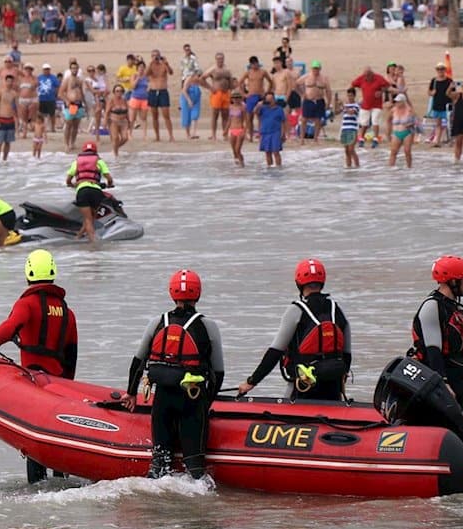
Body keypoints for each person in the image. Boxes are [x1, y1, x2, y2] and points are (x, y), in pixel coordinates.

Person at [122, 270, 224, 479]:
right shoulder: (208, 326)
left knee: (160, 462)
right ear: (198, 294)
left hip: (163, 399)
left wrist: (131, 393)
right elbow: (218, 372)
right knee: (195, 467)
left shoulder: (157, 322)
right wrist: (206, 403)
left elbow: (138, 362)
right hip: (192, 400)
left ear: (171, 293)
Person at [237, 258, 351, 402]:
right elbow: (347, 354)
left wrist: (251, 382)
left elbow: (275, 352)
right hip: (333, 388)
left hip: (303, 386)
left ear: (299, 283)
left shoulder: (295, 310)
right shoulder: (337, 310)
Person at [0, 249, 77, 394]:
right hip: (58, 383)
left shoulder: (27, 304)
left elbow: (12, 324)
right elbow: (71, 354)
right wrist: (67, 386)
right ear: (53, 272)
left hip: (33, 380)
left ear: (28, 273)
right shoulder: (67, 312)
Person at [409, 256, 463, 414]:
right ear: (453, 282)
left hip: (457, 381)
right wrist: (442, 384)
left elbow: (461, 354)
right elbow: (433, 351)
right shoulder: (431, 307)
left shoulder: (456, 309)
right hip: (435, 382)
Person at [64, 141, 114, 242]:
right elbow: (109, 178)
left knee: (88, 219)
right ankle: (85, 240)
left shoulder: (76, 162)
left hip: (82, 191)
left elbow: (68, 180)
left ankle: (90, 243)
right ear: (95, 151)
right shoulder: (99, 161)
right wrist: (109, 185)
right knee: (90, 219)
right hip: (96, 192)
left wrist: (72, 185)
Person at [351, 65, 390, 146]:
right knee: (364, 122)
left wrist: (381, 91)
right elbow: (353, 84)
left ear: (372, 73)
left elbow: (387, 85)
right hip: (365, 104)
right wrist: (351, 96)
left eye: (368, 75)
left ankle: (375, 139)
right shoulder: (361, 78)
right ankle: (361, 138)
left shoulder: (378, 78)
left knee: (375, 120)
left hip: (376, 104)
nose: (367, 77)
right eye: (365, 75)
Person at [254, 90, 285, 168]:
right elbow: (255, 113)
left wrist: (283, 134)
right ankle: (269, 168)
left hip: (276, 132)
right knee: (267, 152)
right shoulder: (263, 108)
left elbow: (283, 122)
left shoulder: (279, 109)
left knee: (276, 151)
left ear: (274, 100)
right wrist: (258, 105)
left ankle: (278, 167)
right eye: (267, 99)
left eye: (271, 99)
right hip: (265, 132)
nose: (269, 101)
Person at [387, 93, 417, 168]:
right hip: (396, 132)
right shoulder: (393, 110)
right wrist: (388, 132)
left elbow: (416, 121)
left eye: (399, 102)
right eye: (396, 101)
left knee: (407, 151)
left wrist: (410, 124)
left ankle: (409, 167)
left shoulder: (409, 110)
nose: (397, 103)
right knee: (393, 151)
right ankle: (391, 168)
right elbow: (388, 120)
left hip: (407, 132)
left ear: (403, 101)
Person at [0, 73, 18, 161]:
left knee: (8, 142)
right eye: (8, 81)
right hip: (1, 118)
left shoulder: (14, 94)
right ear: (5, 82)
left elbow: (16, 108)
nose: (9, 83)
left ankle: (5, 159)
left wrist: (17, 121)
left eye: (11, 82)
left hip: (10, 119)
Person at [339, 87, 361, 168]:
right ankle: (349, 166)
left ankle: (357, 166)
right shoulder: (346, 105)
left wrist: (343, 106)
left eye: (351, 95)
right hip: (344, 128)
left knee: (351, 149)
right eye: (348, 96)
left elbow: (351, 112)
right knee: (346, 151)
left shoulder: (356, 105)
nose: (349, 97)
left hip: (353, 129)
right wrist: (337, 104)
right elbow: (337, 112)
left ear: (354, 96)